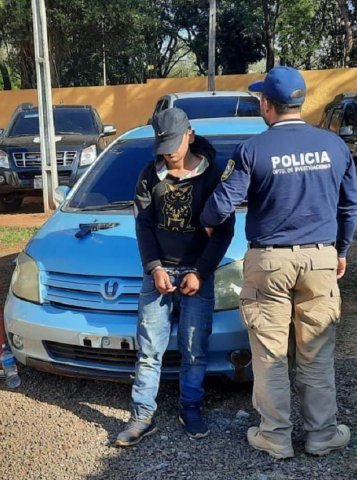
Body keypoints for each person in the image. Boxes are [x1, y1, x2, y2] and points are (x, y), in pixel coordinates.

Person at [201, 66, 357, 459]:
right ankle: (322, 434)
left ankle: (276, 436)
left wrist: (205, 222)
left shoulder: (253, 149)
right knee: (316, 352)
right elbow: (351, 205)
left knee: (270, 354)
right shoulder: (334, 146)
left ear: (268, 104)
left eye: (261, 100)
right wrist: (339, 252)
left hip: (269, 262)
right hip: (321, 258)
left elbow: (220, 207)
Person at [114, 108, 235, 447]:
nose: (168, 153)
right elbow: (144, 225)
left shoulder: (213, 176)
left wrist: (201, 271)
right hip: (160, 274)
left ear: (190, 135)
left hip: (198, 275)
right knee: (149, 350)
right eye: (162, 145)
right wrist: (154, 267)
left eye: (174, 144)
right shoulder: (148, 176)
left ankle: (191, 407)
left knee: (194, 350)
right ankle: (141, 416)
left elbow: (224, 231)